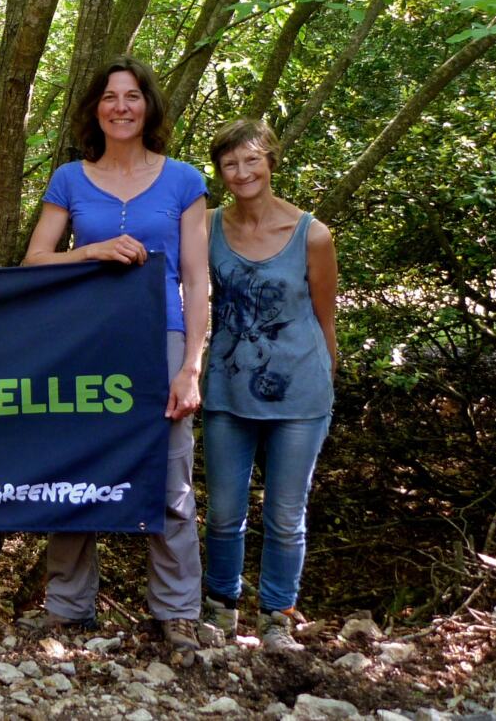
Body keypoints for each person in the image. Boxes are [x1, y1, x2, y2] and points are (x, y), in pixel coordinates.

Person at [22, 56, 209, 652]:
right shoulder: (69, 179)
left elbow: (197, 279)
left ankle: (176, 611)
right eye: (109, 97)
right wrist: (89, 251)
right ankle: (68, 606)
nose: (120, 107)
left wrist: (192, 366)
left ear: (148, 106)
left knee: (170, 469)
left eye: (132, 96)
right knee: (76, 464)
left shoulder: (184, 180)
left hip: (162, 339)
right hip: (85, 340)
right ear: (95, 109)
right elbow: (34, 262)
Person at [201, 119, 337, 653]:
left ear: (271, 162)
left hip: (300, 393)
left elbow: (325, 319)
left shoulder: (312, 234)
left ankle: (277, 616)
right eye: (230, 164)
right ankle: (220, 609)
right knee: (222, 512)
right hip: (227, 389)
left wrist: (327, 381)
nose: (242, 172)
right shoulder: (207, 227)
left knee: (284, 515)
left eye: (252, 160)